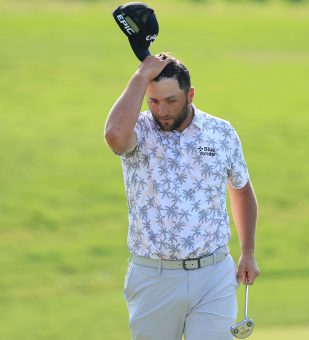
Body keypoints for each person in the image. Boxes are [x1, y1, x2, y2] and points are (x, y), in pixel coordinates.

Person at [104, 53, 260, 340]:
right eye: (154, 101)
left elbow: (241, 188)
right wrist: (140, 77)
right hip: (154, 278)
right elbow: (114, 135)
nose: (162, 110)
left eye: (171, 101)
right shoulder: (138, 129)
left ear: (190, 94)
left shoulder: (220, 132)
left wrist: (247, 252)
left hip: (214, 275)